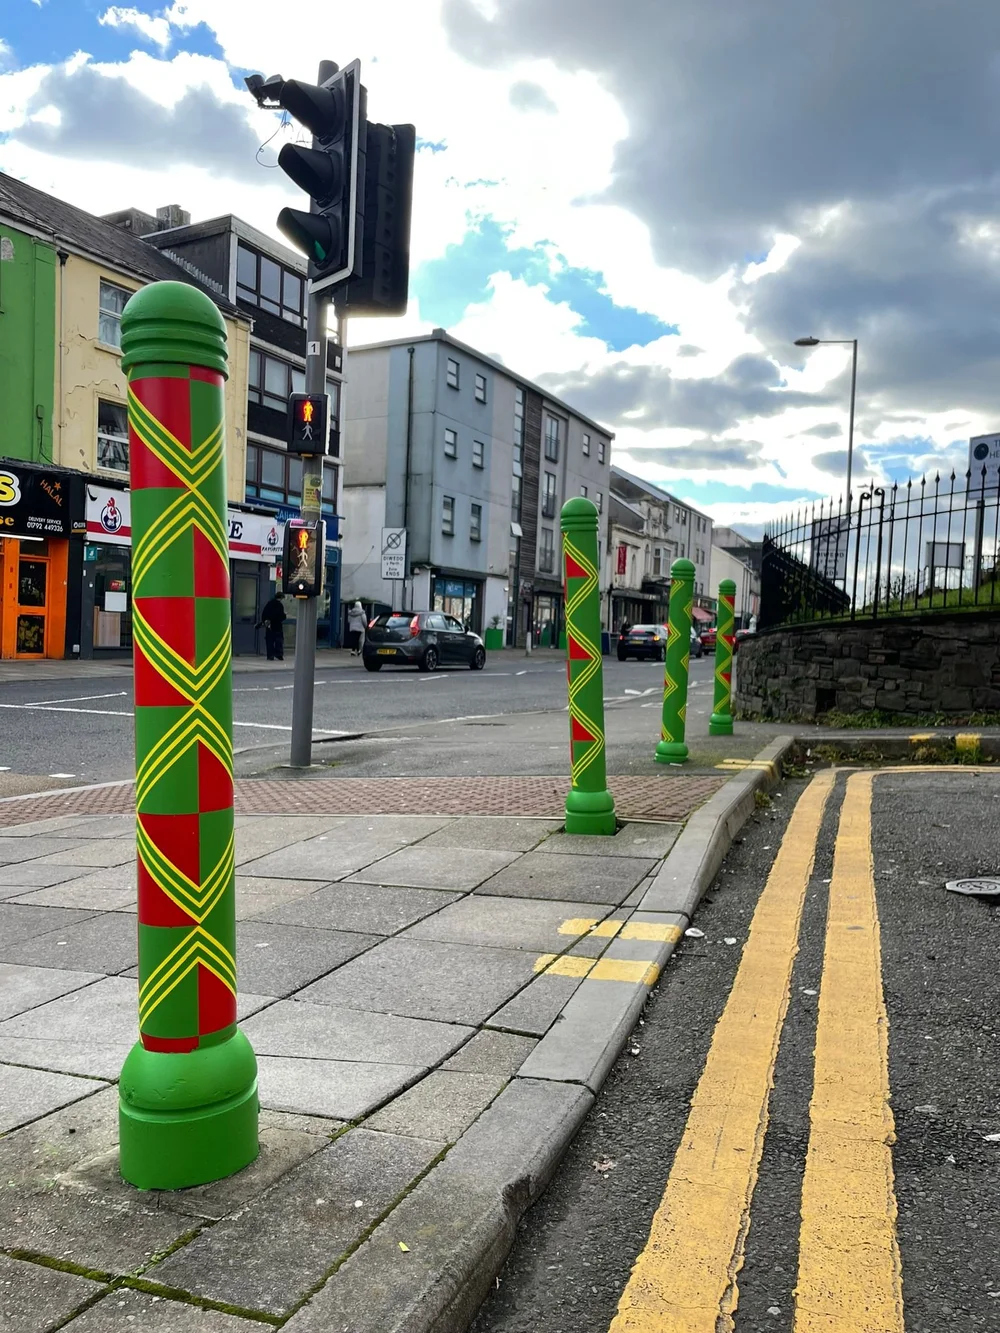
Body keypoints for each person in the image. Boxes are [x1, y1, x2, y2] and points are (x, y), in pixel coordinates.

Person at [258, 593, 286, 661]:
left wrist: (265, 621)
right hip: (277, 625)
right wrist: (284, 616)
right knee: (279, 640)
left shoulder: (269, 604)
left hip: (269, 625)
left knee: (269, 641)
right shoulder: (279, 605)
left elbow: (264, 614)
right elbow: (281, 616)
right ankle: (278, 654)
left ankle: (270, 655)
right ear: (281, 598)